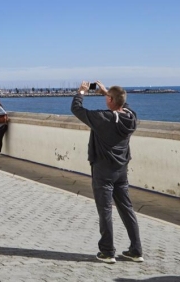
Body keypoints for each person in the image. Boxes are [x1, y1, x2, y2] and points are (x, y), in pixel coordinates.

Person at [72, 81, 143, 264]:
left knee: (105, 211)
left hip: (103, 171)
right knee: (126, 209)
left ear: (110, 100)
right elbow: (123, 106)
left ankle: (107, 251)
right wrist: (107, 93)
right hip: (121, 170)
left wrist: (82, 91)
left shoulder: (103, 118)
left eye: (107, 98)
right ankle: (136, 250)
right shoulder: (131, 117)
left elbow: (76, 108)